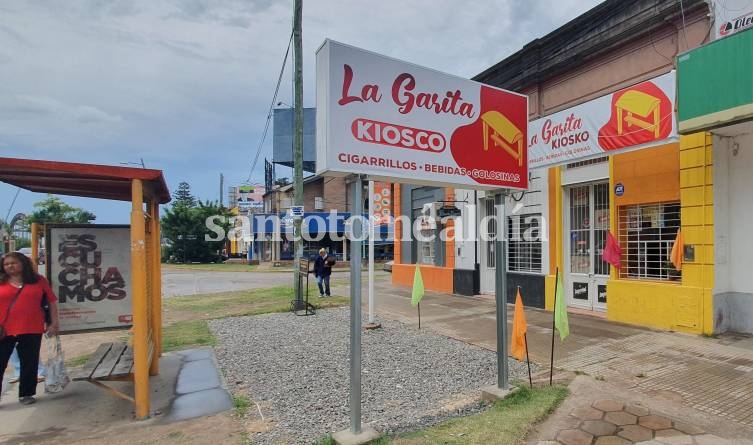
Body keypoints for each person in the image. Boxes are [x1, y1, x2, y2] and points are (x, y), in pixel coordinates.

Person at [0, 252, 59, 405]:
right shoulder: (1, 281)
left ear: (23, 264)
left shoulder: (38, 281)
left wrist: (54, 323)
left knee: (29, 362)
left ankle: (26, 394)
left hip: (31, 327)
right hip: (4, 330)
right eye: (6, 264)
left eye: (13, 263)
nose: (10, 266)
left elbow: (51, 302)